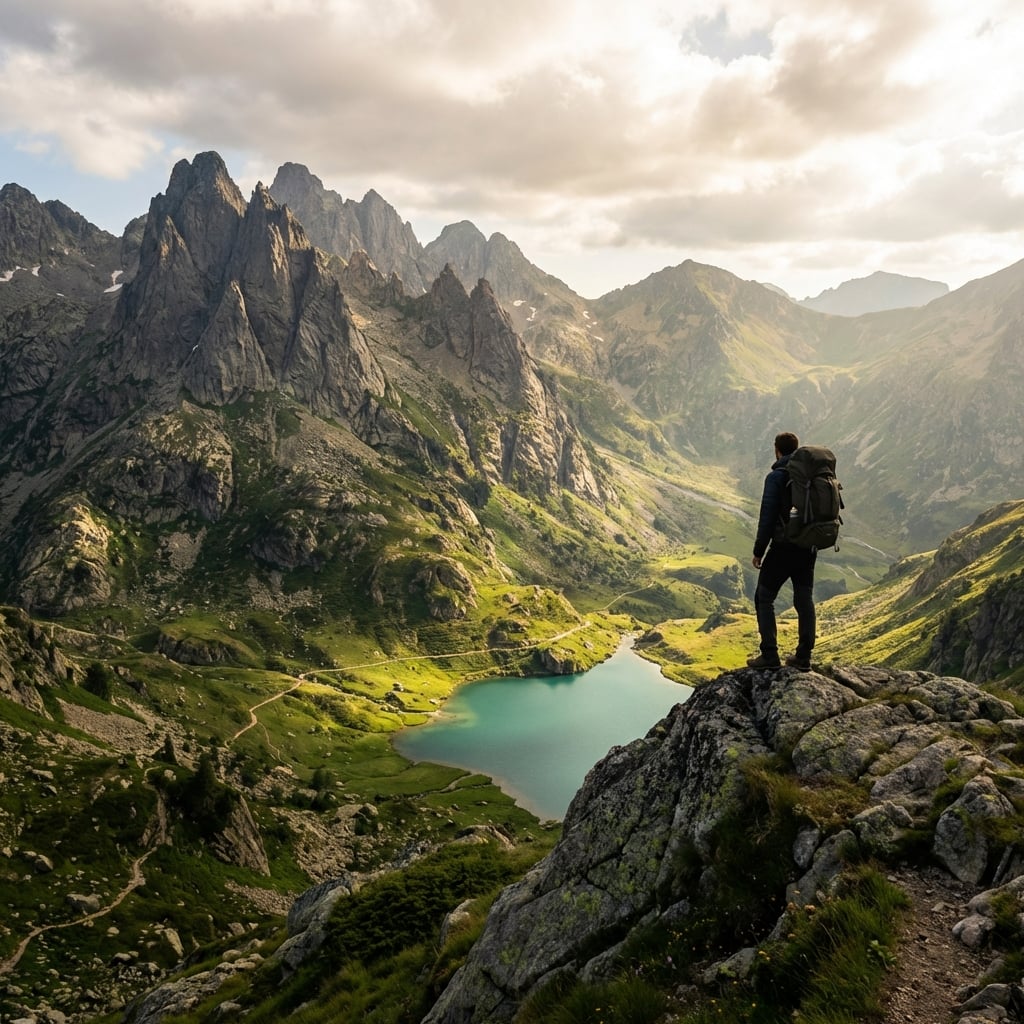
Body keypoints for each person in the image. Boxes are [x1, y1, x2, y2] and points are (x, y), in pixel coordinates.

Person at [747, 431, 816, 670]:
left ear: (777, 450)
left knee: (763, 598)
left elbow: (767, 517)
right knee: (804, 599)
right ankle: (803, 657)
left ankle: (769, 655)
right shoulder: (810, 475)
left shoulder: (776, 477)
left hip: (783, 548)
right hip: (808, 547)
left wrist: (758, 551)